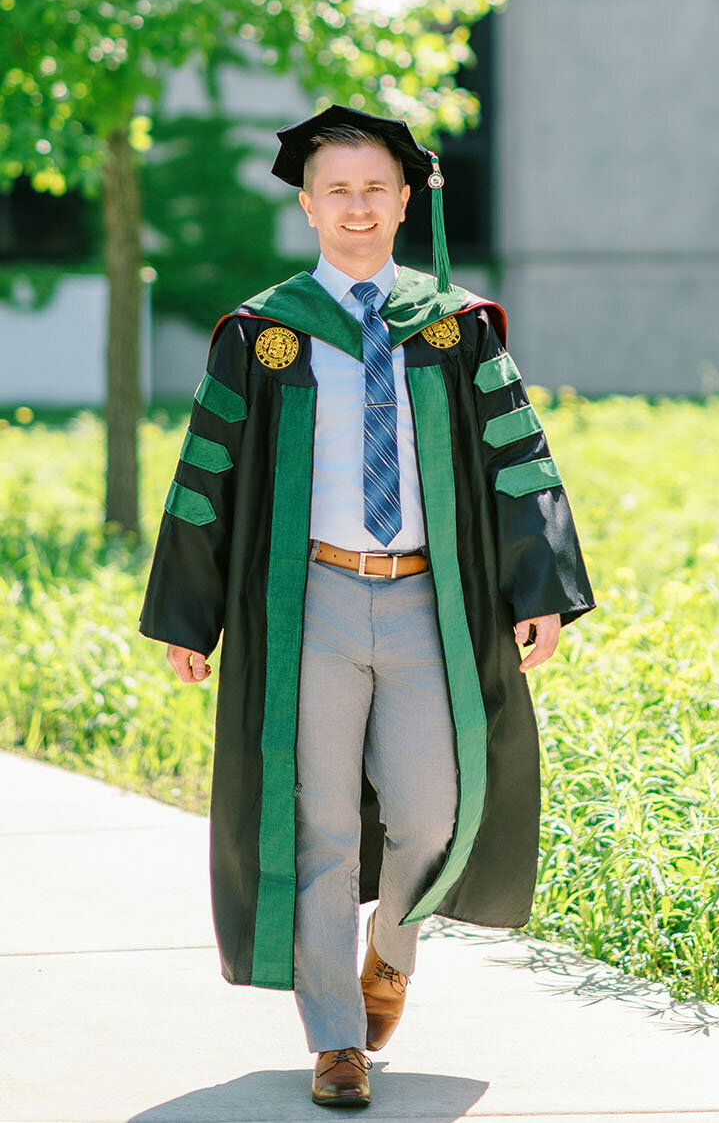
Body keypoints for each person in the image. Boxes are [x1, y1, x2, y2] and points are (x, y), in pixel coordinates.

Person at [139, 102, 594, 1108]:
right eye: (336, 190)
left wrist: (541, 589)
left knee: (432, 812)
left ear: (403, 202)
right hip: (314, 603)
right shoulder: (264, 335)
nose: (355, 207)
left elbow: (519, 462)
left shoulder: (454, 328)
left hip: (430, 603)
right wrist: (187, 613)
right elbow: (204, 471)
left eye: (373, 189)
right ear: (307, 205)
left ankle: (388, 952)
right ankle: (335, 1042)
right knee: (320, 827)